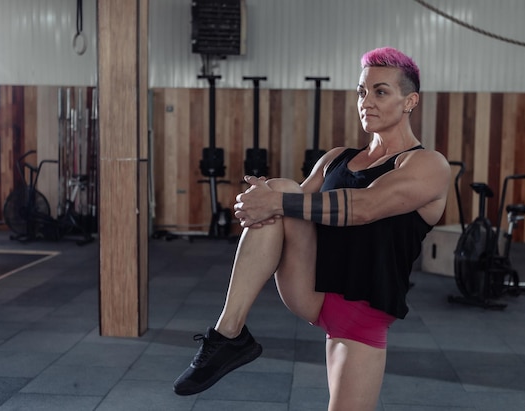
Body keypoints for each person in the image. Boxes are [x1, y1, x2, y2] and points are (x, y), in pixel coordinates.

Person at [173, 46, 451, 411]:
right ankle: (229, 333)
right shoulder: (336, 157)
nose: (366, 102)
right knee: (282, 189)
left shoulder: (428, 165)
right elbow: (294, 212)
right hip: (311, 289)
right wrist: (259, 205)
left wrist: (275, 202)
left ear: (409, 101)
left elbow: (365, 208)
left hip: (361, 315)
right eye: (361, 91)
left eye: (380, 92)